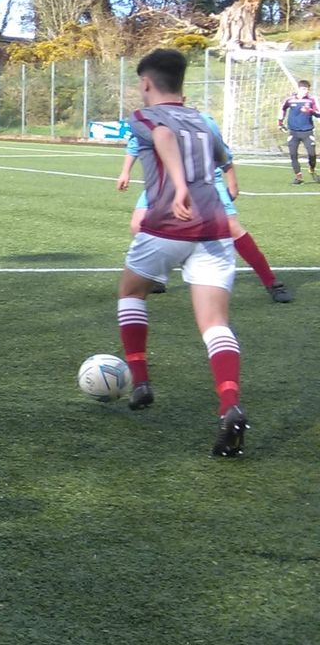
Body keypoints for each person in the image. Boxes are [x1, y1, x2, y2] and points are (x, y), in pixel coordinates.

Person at [113, 49, 251, 457]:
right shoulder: (203, 121)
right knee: (215, 324)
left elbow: (163, 136)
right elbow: (225, 161)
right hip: (215, 229)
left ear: (146, 83)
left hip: (168, 225)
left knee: (131, 292)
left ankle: (140, 380)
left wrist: (179, 186)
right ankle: (229, 405)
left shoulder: (144, 117)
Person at [116, 117, 290, 303]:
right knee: (138, 224)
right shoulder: (150, 120)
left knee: (231, 226)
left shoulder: (203, 121)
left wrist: (232, 184)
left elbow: (223, 153)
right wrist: (125, 172)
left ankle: (271, 282)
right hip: (165, 181)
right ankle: (157, 277)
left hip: (206, 179)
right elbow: (135, 144)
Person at [280, 79, 317, 184]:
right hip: (293, 132)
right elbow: (282, 109)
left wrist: (310, 111)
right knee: (293, 154)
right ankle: (298, 177)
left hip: (307, 132)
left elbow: (318, 113)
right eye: (303, 89)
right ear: (299, 88)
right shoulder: (290, 100)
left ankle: (311, 169)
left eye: (307, 89)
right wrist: (280, 122)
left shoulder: (311, 100)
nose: (305, 91)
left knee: (312, 154)